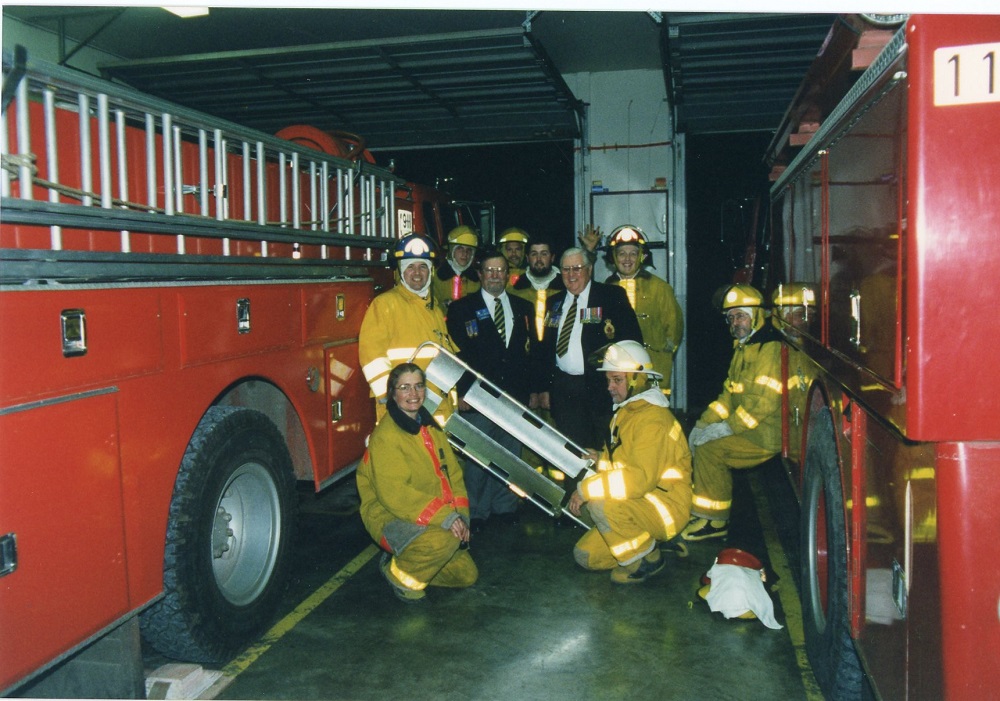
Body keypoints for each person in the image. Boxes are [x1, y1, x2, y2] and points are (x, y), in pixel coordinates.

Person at [568, 341, 692, 583]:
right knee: (585, 556)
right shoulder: (628, 412)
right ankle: (651, 540)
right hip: (641, 502)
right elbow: (625, 463)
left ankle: (647, 561)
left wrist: (586, 490)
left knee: (600, 503)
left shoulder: (653, 420)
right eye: (609, 381)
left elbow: (637, 479)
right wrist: (601, 458)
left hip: (664, 507)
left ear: (638, 379)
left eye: (617, 380)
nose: (610, 387)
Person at [356, 363, 477, 602]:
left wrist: (461, 515)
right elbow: (395, 495)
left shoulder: (431, 427)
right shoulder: (386, 437)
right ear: (393, 393)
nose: (413, 394)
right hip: (390, 516)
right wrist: (446, 519)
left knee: (466, 575)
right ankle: (398, 575)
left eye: (419, 386)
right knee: (445, 540)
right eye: (405, 388)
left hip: (426, 514)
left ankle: (410, 562)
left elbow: (454, 475)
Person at [680, 284, 783, 541]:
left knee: (711, 451)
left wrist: (727, 428)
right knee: (704, 442)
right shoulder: (744, 347)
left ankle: (715, 522)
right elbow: (728, 395)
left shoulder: (769, 349)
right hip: (752, 428)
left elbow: (764, 402)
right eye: (731, 317)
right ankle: (704, 513)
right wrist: (703, 424)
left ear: (757, 315)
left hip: (767, 433)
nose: (735, 322)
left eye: (741, 315)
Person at [446, 250, 535, 531]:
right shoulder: (461, 309)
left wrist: (532, 391)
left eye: (500, 271)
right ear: (480, 274)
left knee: (510, 453)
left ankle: (505, 505)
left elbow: (528, 353)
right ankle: (478, 511)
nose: (495, 276)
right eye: (489, 271)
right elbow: (454, 355)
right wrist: (460, 393)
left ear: (508, 275)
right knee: (478, 456)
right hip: (476, 396)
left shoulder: (523, 308)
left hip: (513, 397)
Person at [534, 247, 642, 454]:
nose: (571, 275)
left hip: (602, 388)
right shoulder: (553, 303)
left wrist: (623, 384)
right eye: (566, 269)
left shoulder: (612, 296)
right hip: (565, 390)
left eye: (577, 268)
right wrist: (545, 388)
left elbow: (632, 341)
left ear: (589, 270)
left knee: (608, 449)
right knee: (571, 452)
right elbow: (545, 349)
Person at [359, 233, 457, 422]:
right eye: (410, 267)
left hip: (438, 409)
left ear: (431, 271)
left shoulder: (433, 308)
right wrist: (390, 399)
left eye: (423, 266)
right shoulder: (385, 304)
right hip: (405, 410)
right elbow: (372, 356)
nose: (417, 273)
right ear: (400, 272)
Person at [593, 225, 684, 396]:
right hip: (618, 372)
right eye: (621, 253)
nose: (627, 259)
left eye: (633, 253)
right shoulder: (604, 289)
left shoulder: (660, 288)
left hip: (653, 371)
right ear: (613, 257)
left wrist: (661, 356)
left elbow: (675, 329)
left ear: (642, 256)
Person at [771, 282, 817, 463]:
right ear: (782, 316)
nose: (806, 321)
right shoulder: (773, 350)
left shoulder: (801, 346)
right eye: (800, 315)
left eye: (810, 315)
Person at [509, 237, 565, 342]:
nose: (539, 259)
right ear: (527, 258)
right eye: (534, 254)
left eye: (544, 254)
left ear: (552, 258)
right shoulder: (515, 290)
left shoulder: (565, 288)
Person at [431, 225, 480, 312]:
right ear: (451, 250)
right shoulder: (435, 277)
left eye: (469, 250)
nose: (465, 254)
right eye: (460, 249)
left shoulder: (477, 280)